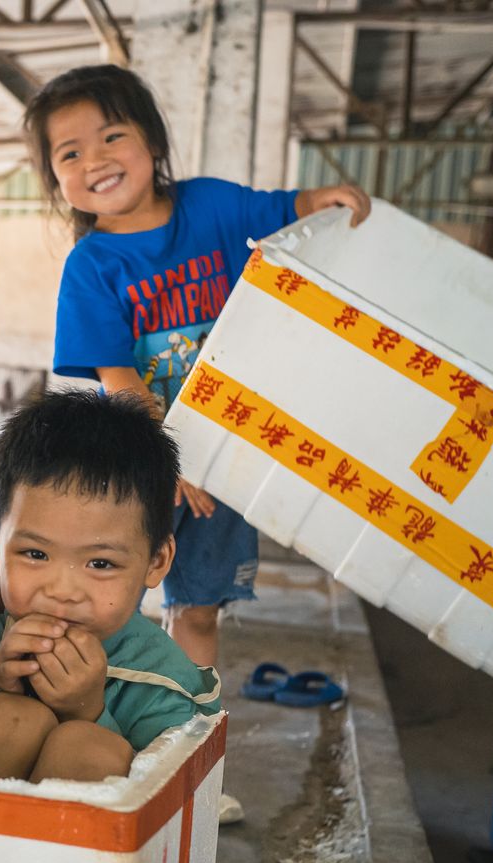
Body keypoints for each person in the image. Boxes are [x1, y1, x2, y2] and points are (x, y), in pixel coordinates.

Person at [23, 64, 371, 670]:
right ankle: (98, 715)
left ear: (153, 142)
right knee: (110, 603)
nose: (95, 161)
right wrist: (169, 458)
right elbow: (121, 382)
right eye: (70, 153)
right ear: (56, 178)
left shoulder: (211, 206)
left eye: (111, 137)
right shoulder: (91, 266)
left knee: (199, 606)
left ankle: (194, 723)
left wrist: (327, 202)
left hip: (227, 454)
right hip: (142, 455)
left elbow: (289, 208)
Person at [0, 389, 221, 783]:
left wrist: (87, 711)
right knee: (6, 718)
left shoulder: (165, 686)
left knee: (88, 746)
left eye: (100, 563)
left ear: (156, 560)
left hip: (99, 844)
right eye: (36, 554)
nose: (62, 590)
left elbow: (184, 801)